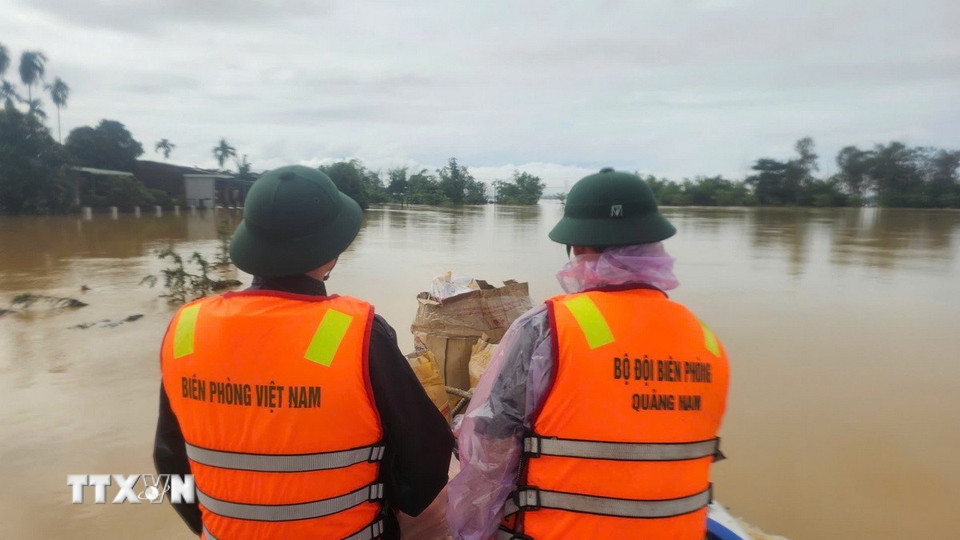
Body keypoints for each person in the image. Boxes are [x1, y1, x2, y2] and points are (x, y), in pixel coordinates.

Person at [154, 165, 453, 539]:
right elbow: (428, 455)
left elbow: (169, 460)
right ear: (331, 252)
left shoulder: (187, 329)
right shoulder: (357, 334)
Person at [446, 168, 730, 539]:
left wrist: (469, 530)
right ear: (655, 243)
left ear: (577, 248)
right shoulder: (706, 340)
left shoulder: (547, 327)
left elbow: (488, 450)